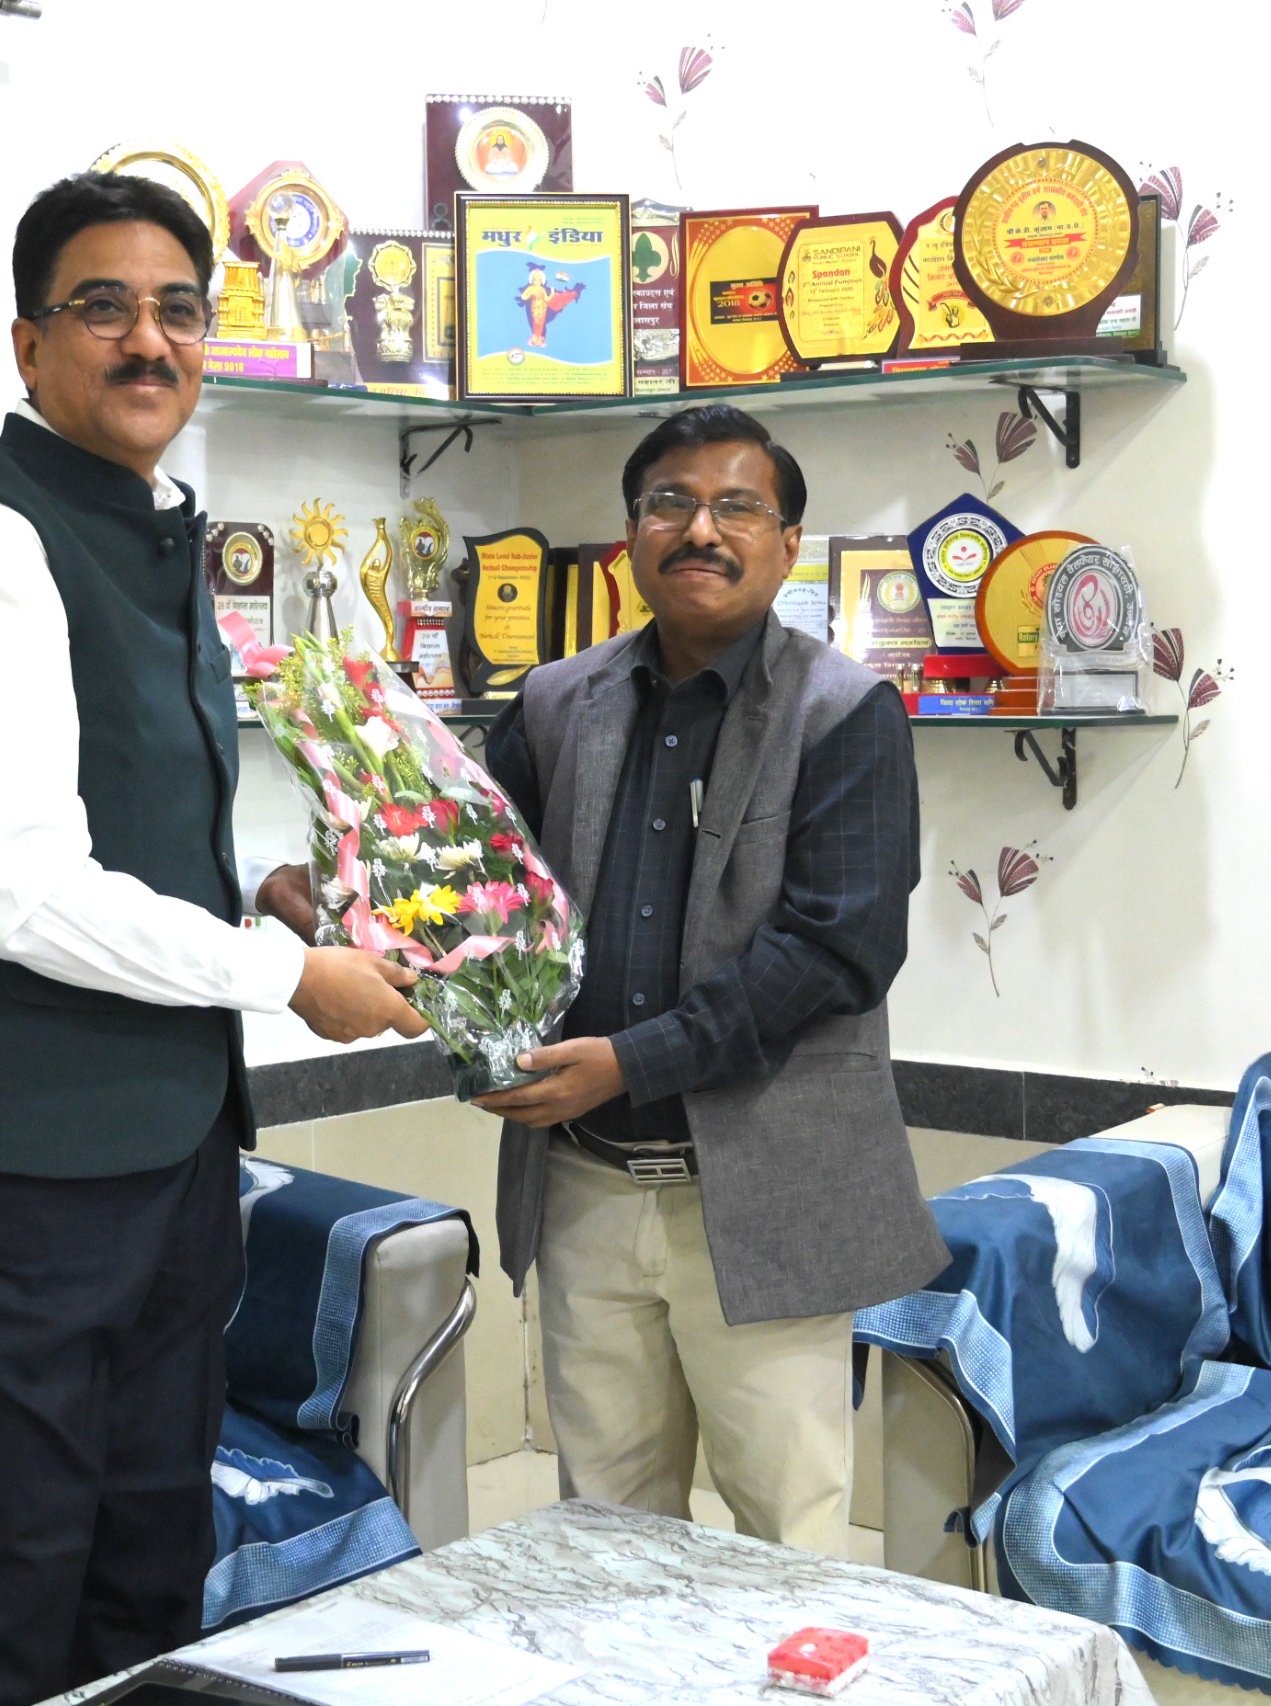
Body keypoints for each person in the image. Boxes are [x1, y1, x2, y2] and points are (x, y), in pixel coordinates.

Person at [0, 172, 425, 1706]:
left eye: (179, 309)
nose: (148, 341)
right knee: (19, 1555)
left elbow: (120, 831)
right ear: (29, 345)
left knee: (151, 1538)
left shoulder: (158, 532)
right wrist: (289, 977)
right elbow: (26, 892)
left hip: (172, 1138)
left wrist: (260, 899)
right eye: (103, 307)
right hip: (18, 1157)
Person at [474, 404, 950, 1555]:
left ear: (787, 545)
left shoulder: (845, 710)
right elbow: (483, 899)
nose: (700, 529)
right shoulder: (550, 703)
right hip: (583, 1185)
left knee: (784, 1540)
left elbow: (837, 948)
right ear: (629, 537)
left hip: (767, 1196)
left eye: (737, 506)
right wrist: (350, 908)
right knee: (606, 1531)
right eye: (670, 504)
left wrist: (629, 1062)